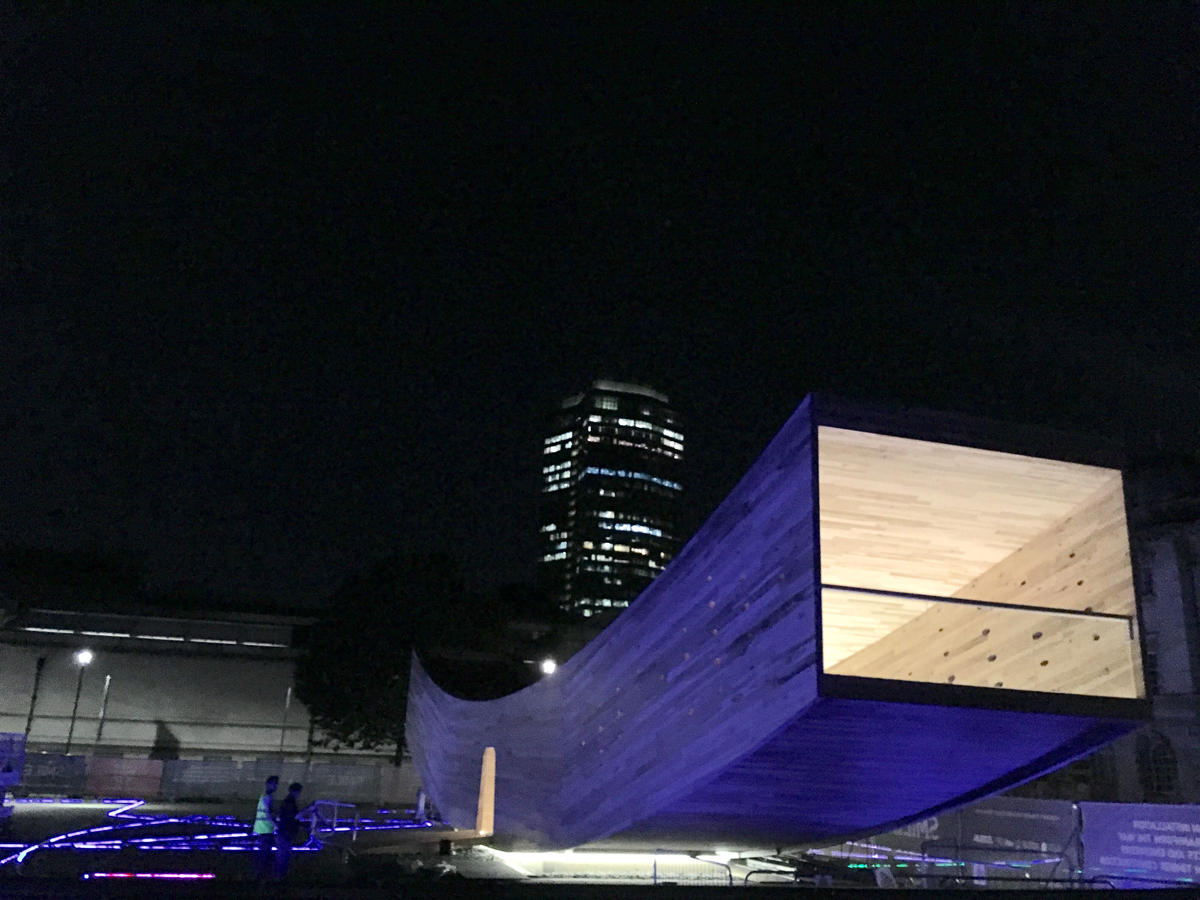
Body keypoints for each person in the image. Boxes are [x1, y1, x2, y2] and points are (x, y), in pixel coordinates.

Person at [274, 782, 304, 879]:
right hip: (285, 832)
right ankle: (280, 877)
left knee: (282, 855)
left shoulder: (287, 802)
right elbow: (294, 816)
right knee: (284, 855)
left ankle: (279, 876)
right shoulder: (291, 803)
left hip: (283, 831)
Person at [252, 775, 279, 880]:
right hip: (266, 830)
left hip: (260, 829)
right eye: (275, 784)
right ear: (269, 784)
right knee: (264, 854)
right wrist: (276, 826)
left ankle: (259, 874)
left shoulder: (263, 796)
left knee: (262, 853)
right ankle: (261, 875)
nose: (276, 786)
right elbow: (268, 815)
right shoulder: (268, 798)